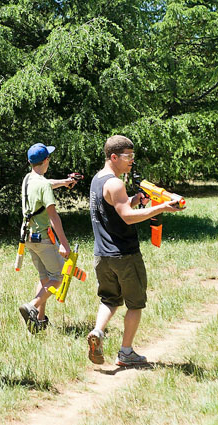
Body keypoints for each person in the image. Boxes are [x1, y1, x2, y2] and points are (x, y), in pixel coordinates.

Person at [87, 135, 183, 367]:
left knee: (109, 299)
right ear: (113, 157)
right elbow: (127, 218)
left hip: (102, 256)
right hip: (125, 255)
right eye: (127, 157)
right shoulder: (116, 183)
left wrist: (133, 199)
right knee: (135, 304)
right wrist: (161, 207)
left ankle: (98, 332)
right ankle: (126, 352)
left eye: (133, 156)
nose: (132, 161)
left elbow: (114, 206)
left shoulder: (97, 180)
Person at [17, 143, 77, 333]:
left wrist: (64, 181)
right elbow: (53, 216)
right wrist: (65, 245)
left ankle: (39, 321)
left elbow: (46, 183)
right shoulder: (43, 185)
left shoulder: (28, 179)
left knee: (45, 278)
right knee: (58, 277)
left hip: (27, 237)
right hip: (43, 238)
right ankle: (32, 306)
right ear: (46, 161)